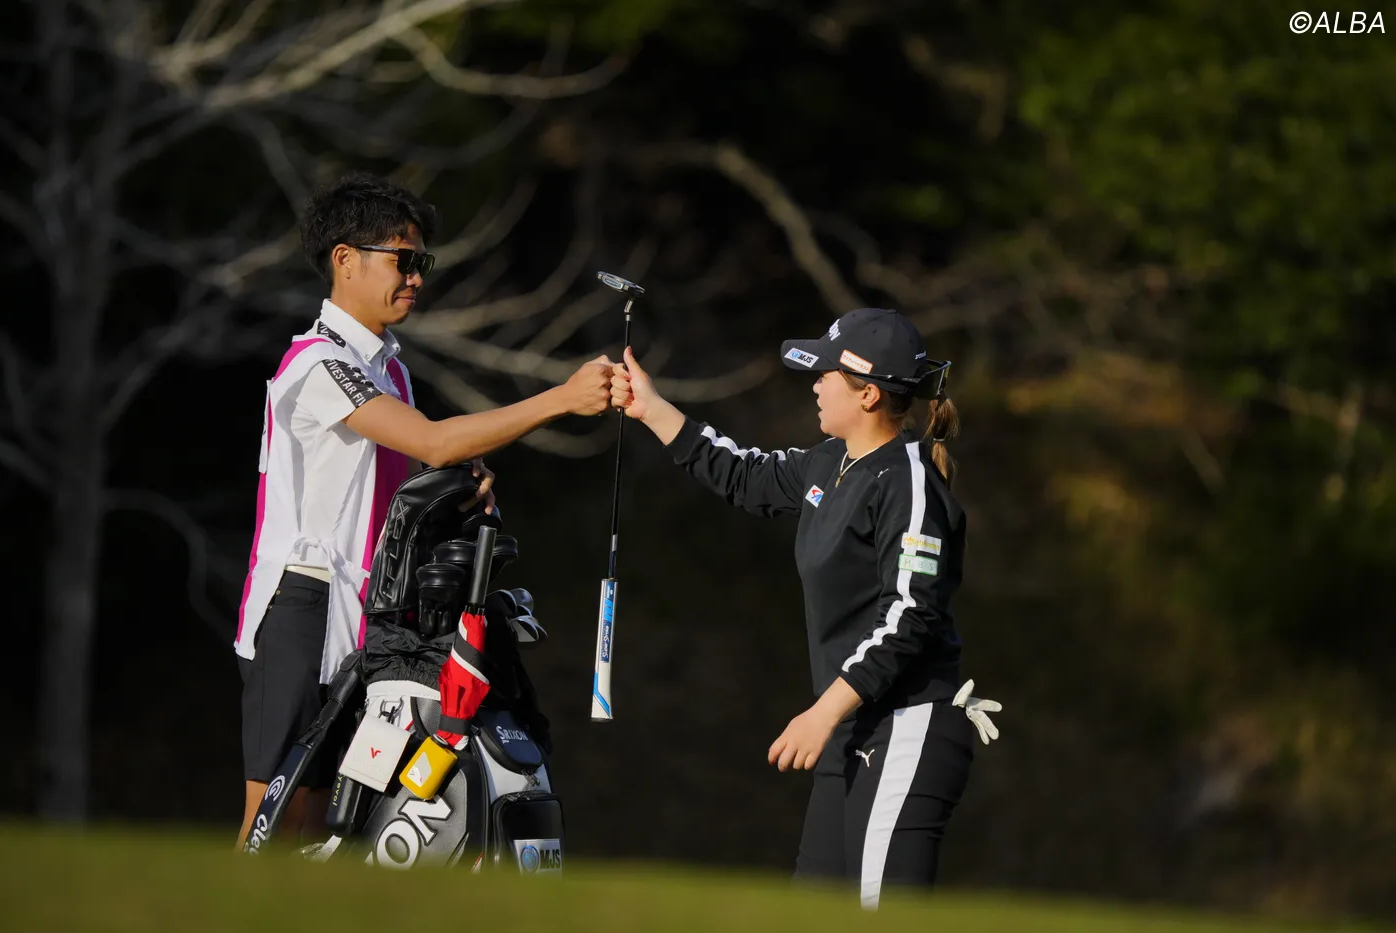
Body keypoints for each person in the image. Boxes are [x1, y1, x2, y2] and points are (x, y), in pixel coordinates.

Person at [234, 172, 612, 851]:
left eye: (422, 263)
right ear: (345, 260)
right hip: (303, 607)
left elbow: (421, 469)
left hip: (368, 614)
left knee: (327, 830)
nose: (416, 278)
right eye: (403, 260)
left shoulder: (391, 370)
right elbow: (433, 440)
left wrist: (464, 482)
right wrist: (561, 398)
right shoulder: (318, 363)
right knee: (273, 823)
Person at [610, 307, 1001, 908]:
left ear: (868, 394)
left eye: (826, 375)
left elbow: (910, 617)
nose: (815, 385)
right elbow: (742, 474)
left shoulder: (909, 484)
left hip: (910, 728)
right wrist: (651, 407)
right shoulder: (829, 462)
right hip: (852, 729)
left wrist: (823, 713)